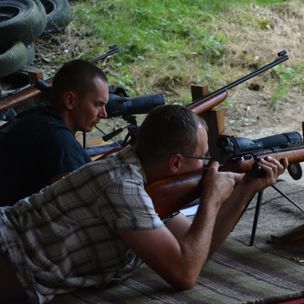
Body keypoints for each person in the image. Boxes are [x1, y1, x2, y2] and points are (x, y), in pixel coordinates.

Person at [0, 104, 288, 303]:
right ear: (175, 162)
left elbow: (196, 248)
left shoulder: (142, 178)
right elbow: (184, 273)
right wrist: (211, 199)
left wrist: (245, 190)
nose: (206, 166)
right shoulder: (123, 185)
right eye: (202, 158)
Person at [0, 59, 109, 206]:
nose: (104, 114)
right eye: (97, 105)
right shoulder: (59, 141)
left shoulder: (33, 116)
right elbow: (82, 206)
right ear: (70, 100)